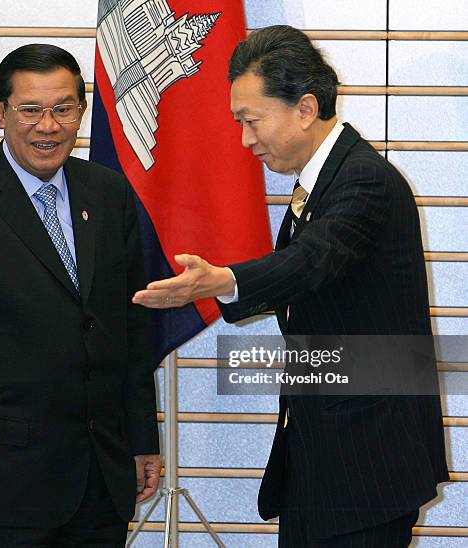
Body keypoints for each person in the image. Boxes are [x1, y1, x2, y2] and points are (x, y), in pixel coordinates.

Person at [133, 25, 448, 547]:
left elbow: (310, 262)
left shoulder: (364, 180)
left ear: (304, 108)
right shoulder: (320, 183)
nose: (245, 140)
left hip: (366, 464)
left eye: (252, 122)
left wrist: (226, 280)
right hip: (323, 456)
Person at [0, 43, 160, 547]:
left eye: (63, 109)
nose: (48, 126)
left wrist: (140, 439)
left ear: (81, 113)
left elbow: (129, 329)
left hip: (100, 481)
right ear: (0, 113)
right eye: (30, 110)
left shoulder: (110, 194)